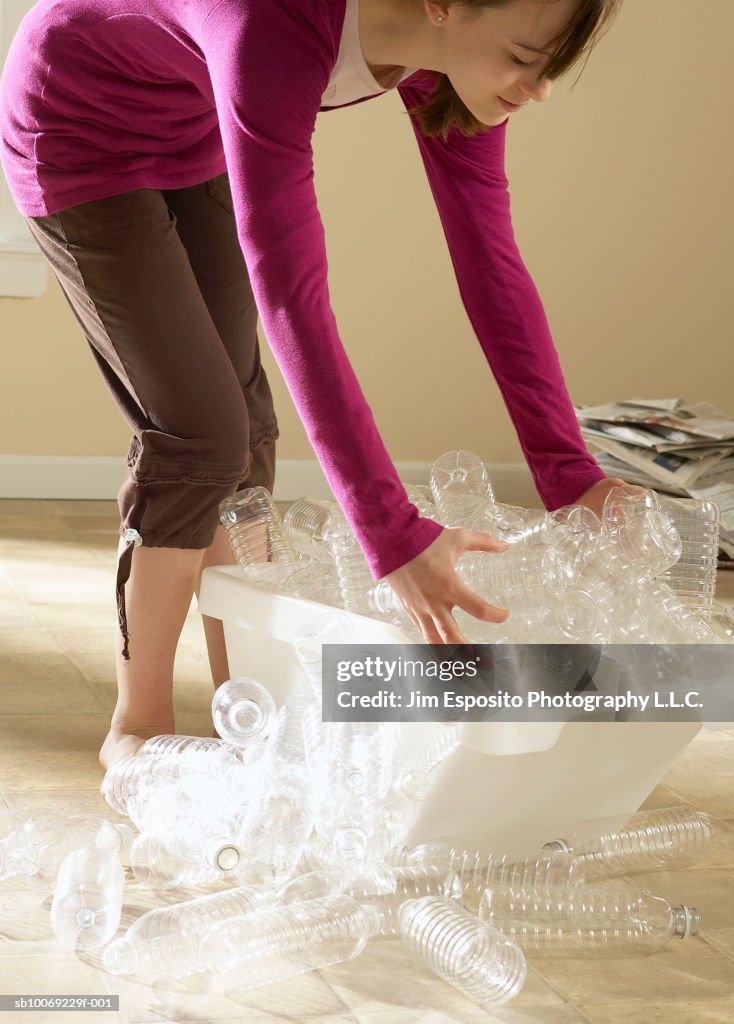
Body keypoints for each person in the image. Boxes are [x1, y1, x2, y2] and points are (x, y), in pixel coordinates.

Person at [0, 0, 625, 768]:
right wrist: (391, 533)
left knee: (251, 439)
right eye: (528, 56)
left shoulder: (449, 61)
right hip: (74, 120)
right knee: (202, 434)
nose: (541, 88)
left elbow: (489, 261)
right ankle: (137, 728)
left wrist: (572, 477)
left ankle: (248, 708)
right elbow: (293, 295)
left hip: (192, 129)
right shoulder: (272, 25)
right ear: (443, 5)